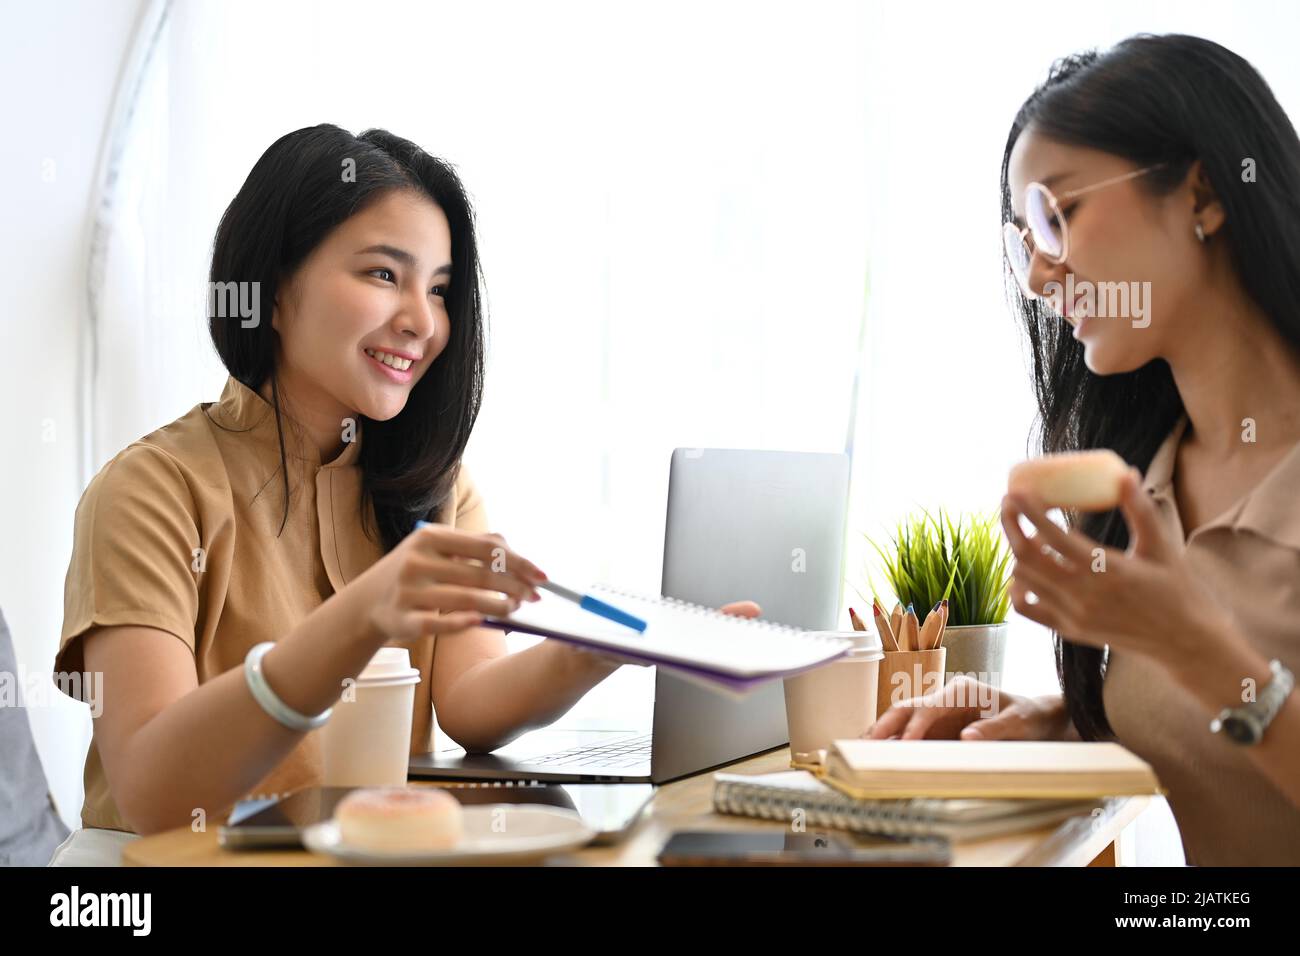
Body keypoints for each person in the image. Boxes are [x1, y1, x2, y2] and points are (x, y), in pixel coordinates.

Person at [49, 125, 757, 864]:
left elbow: (471, 697)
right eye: (385, 275)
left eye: (440, 290)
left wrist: (605, 646)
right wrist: (362, 613)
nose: (423, 321)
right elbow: (157, 792)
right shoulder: (149, 491)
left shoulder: (432, 484)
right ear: (274, 287)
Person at [869, 35, 1300, 865]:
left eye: (1056, 213)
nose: (1037, 275)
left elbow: (1233, 676)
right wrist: (1068, 717)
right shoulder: (1152, 481)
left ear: (1203, 194)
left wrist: (1191, 647)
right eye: (1024, 233)